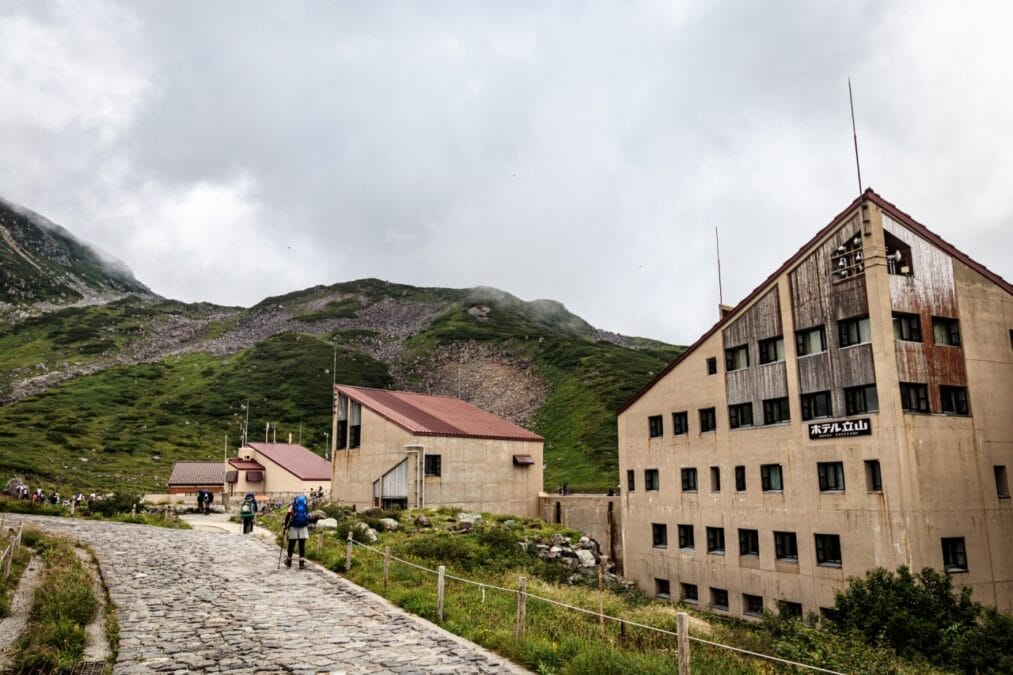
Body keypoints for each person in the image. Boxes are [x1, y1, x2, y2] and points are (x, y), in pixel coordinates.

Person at [282, 494, 311, 569]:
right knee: (301, 545)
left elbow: (288, 516)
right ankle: (301, 563)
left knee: (291, 544)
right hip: (303, 527)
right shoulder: (306, 506)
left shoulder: (293, 506)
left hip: (293, 526)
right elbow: (308, 516)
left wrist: (285, 526)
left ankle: (289, 561)